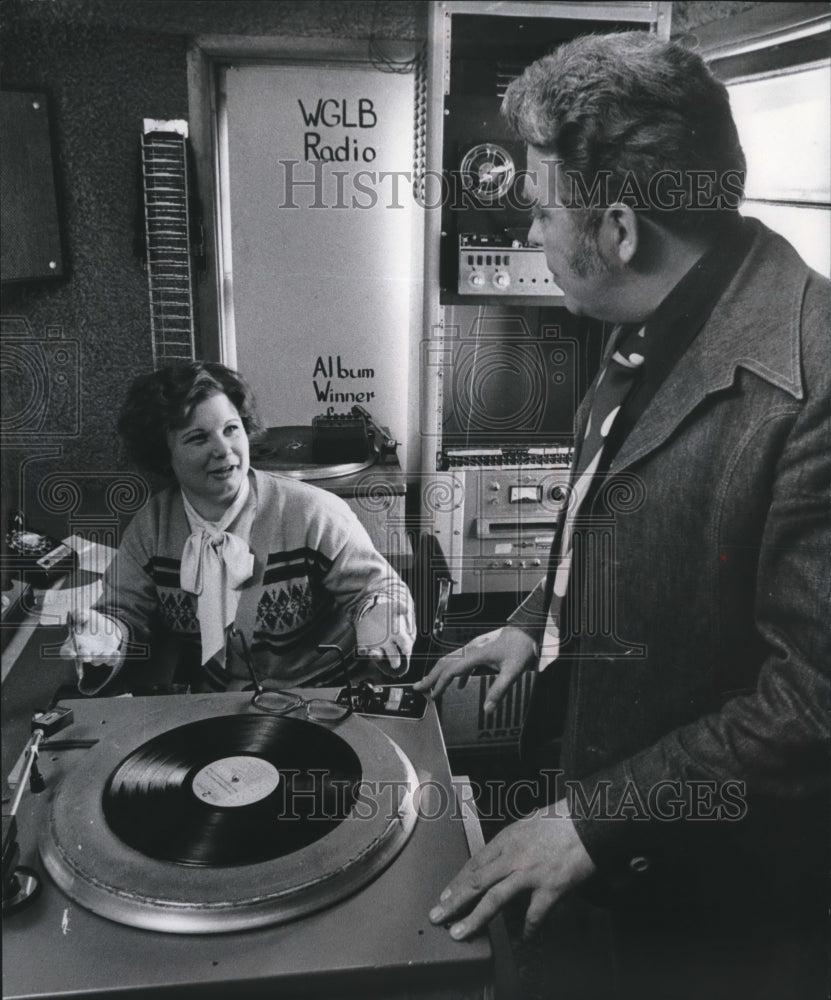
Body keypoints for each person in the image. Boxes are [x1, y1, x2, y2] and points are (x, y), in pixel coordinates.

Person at [415, 32, 829, 998]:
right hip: (606, 840)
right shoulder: (652, 312)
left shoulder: (813, 384)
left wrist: (595, 819)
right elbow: (614, 511)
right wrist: (535, 623)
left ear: (618, 229)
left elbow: (814, 700)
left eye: (539, 210)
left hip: (718, 913)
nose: (528, 236)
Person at [60, 362, 414, 695]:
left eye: (231, 429)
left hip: (328, 693)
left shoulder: (315, 513)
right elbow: (122, 613)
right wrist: (108, 636)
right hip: (222, 705)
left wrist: (379, 615)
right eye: (198, 439)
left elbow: (378, 588)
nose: (223, 450)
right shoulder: (149, 529)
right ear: (163, 453)